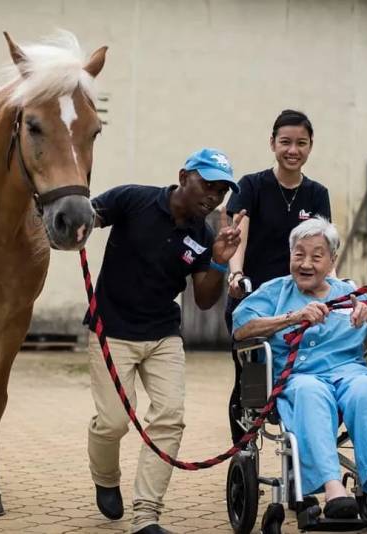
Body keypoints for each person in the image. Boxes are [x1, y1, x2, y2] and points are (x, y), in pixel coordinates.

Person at [231, 216, 367, 527]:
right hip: (299, 378)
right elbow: (241, 327)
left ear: (332, 260)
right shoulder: (275, 292)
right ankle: (334, 491)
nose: (306, 263)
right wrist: (292, 317)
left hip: (350, 374)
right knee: (311, 393)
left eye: (316, 256)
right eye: (299, 254)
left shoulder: (351, 294)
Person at [85, 148, 246, 534]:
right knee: (113, 422)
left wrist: (221, 261)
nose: (213, 196)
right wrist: (74, 223)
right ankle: (105, 477)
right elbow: (85, 217)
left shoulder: (203, 235)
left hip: (162, 337)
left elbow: (205, 300)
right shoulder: (133, 199)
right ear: (183, 176)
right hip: (111, 331)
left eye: (221, 190)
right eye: (207, 184)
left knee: (170, 418)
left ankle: (146, 515)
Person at [224, 109, 331, 443]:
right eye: (285, 142)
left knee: (305, 370)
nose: (293, 150)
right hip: (257, 299)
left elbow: (324, 248)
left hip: (300, 297)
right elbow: (237, 235)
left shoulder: (317, 194)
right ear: (272, 143)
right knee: (252, 377)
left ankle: (303, 441)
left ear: (311, 146)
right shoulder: (251, 186)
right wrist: (237, 274)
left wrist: (335, 289)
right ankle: (243, 447)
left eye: (301, 143)